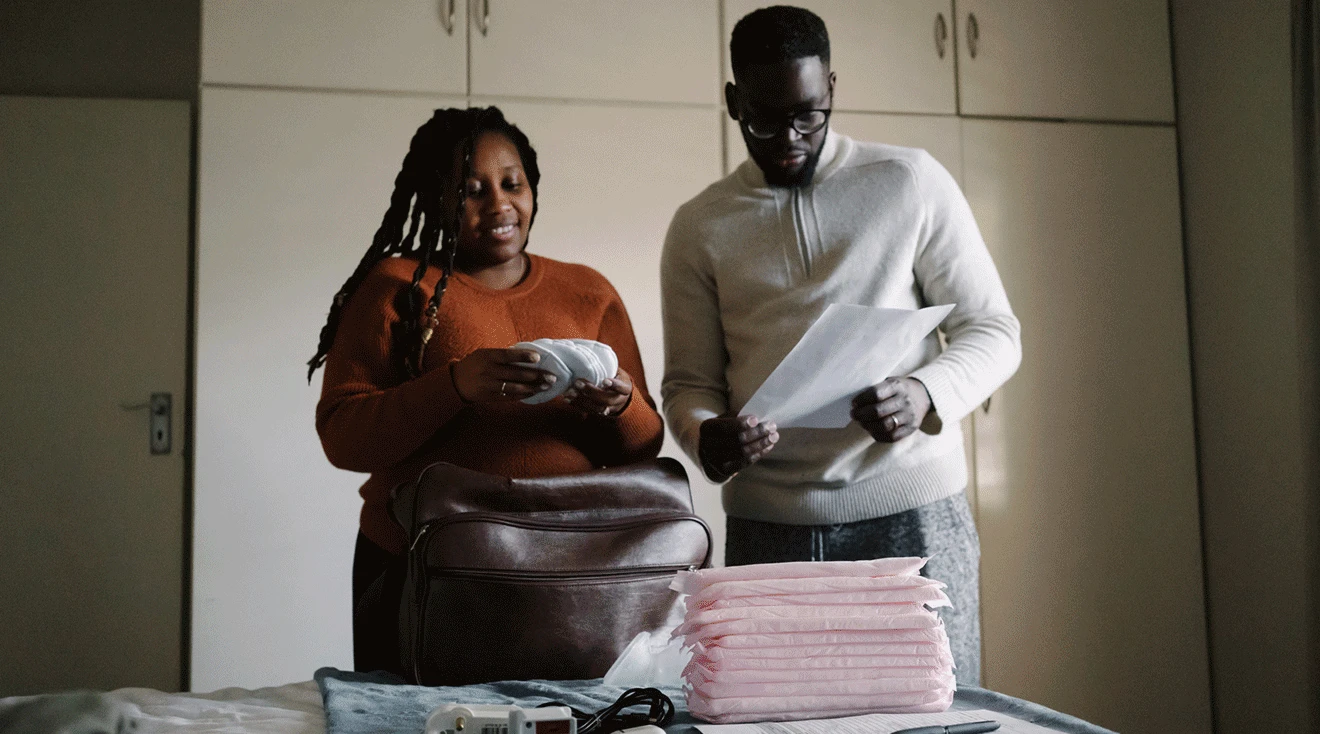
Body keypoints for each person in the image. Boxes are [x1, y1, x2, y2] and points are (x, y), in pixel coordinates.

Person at [659, 6, 1021, 685]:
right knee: (777, 725)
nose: (790, 139)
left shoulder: (909, 181)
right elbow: (688, 385)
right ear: (734, 102)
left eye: (809, 116)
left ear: (831, 89)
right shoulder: (699, 227)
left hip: (913, 517)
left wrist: (925, 392)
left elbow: (994, 329)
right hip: (770, 533)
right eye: (764, 120)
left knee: (936, 722)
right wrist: (707, 436)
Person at [309, 106, 665, 675]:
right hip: (422, 569)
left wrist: (619, 407)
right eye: (472, 190)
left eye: (511, 184)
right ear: (436, 196)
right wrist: (455, 384)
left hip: (568, 570)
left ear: (533, 188)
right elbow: (343, 437)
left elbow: (642, 449)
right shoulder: (397, 288)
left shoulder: (589, 291)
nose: (499, 205)